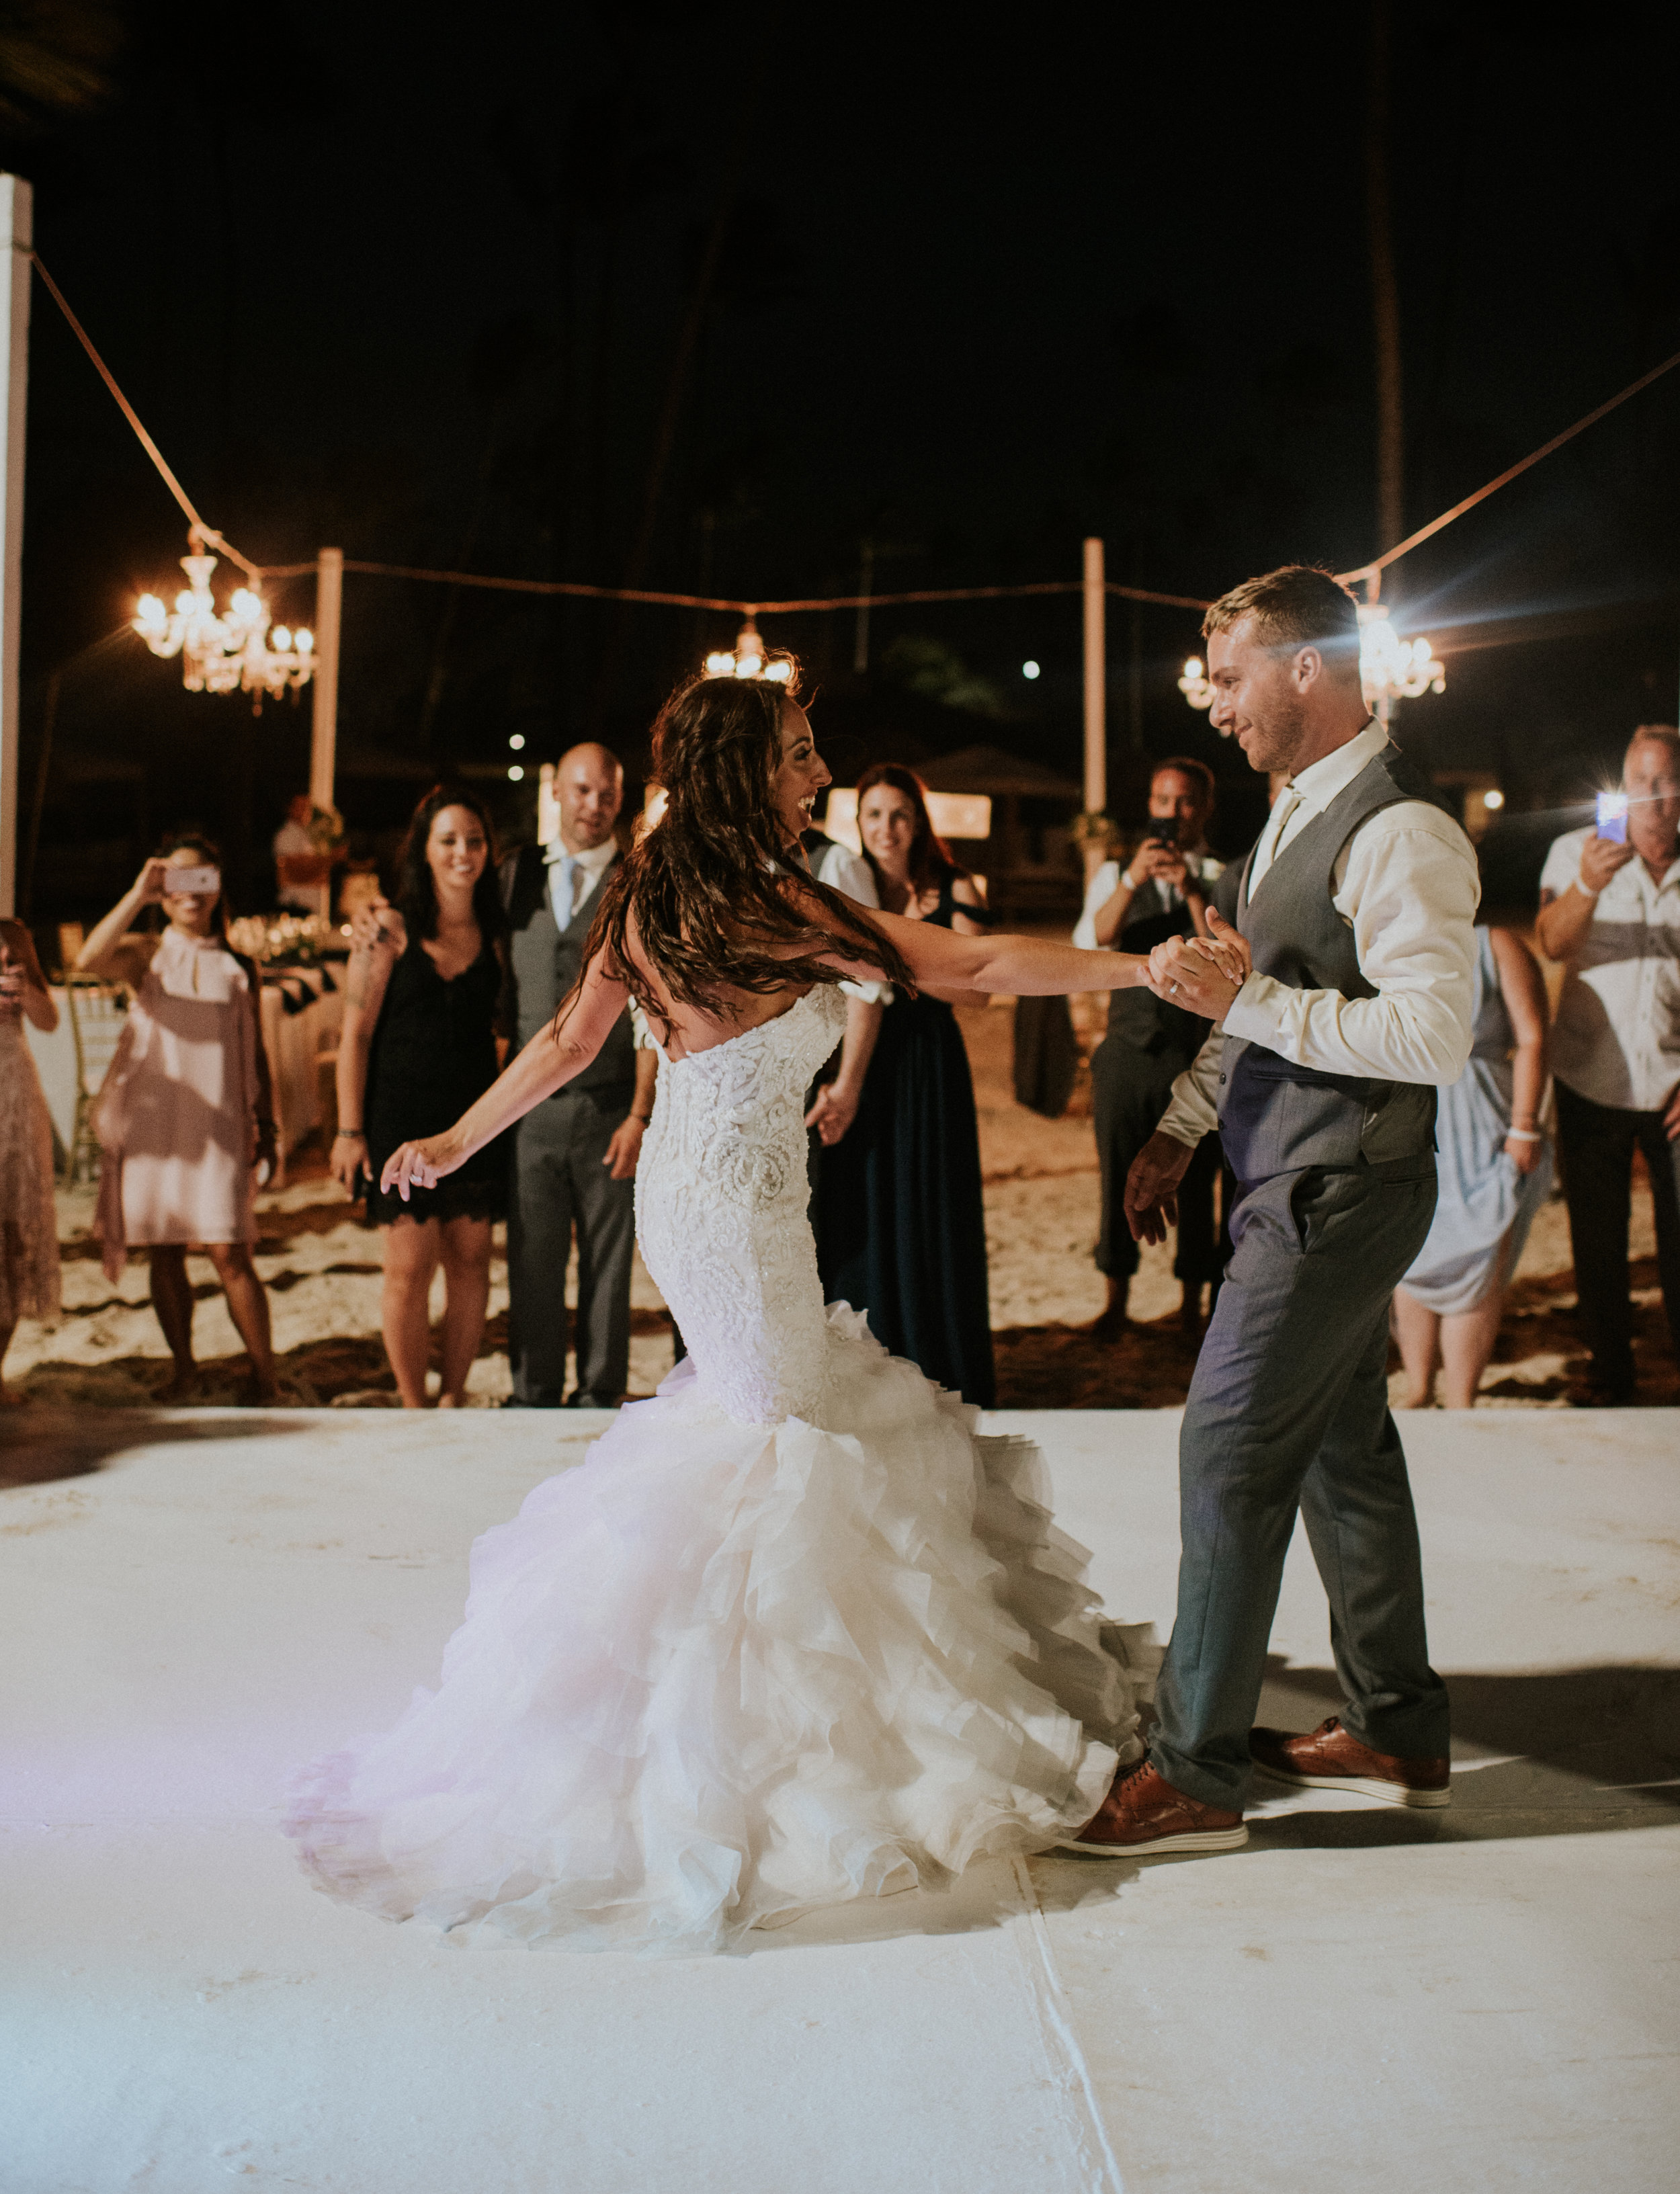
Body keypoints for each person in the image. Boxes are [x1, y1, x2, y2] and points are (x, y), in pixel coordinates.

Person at [287, 663, 1167, 1952]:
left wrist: (457, 1134)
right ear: (747, 771)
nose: (817, 773)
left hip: (701, 1199)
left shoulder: (657, 892)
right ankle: (744, 1745)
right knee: (781, 1454)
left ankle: (739, 1702)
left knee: (764, 1429)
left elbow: (566, 1046)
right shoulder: (775, 902)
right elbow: (968, 962)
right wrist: (1141, 967)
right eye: (800, 753)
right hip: (740, 1209)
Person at [1084, 564, 1478, 1857]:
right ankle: (1397, 1724)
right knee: (1340, 1450)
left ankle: (1195, 1772)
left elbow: (1429, 1034)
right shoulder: (1288, 821)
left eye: (1235, 677)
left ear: (1311, 667)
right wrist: (1179, 1139)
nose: (1218, 708)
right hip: (1290, 1174)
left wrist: (1242, 1007)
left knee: (1230, 1446)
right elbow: (1242, 1002)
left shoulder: (1400, 831)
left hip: (1341, 1190)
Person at [813, 762, 995, 1404]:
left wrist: (889, 967)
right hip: (860, 1061)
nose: (886, 829)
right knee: (861, 1203)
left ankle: (935, 1350)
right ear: (856, 822)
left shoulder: (954, 884)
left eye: (899, 815)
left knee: (927, 1201)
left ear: (919, 822)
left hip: (926, 1062)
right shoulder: (847, 885)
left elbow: (977, 991)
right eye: (874, 816)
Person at [78, 837, 280, 1404]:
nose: (191, 892)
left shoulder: (240, 964)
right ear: (164, 892)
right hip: (155, 1125)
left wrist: (269, 1124)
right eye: (179, 881)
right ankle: (185, 1370)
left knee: (230, 1252)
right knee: (164, 1249)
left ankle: (268, 1378)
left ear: (218, 887)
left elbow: (256, 1051)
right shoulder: (146, 952)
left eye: (202, 878)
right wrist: (137, 893)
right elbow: (87, 959)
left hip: (217, 1127)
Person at [331, 786, 509, 1409]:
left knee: (472, 1263)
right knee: (410, 1267)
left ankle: (455, 1394)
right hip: (400, 1116)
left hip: (474, 1119)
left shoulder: (498, 931)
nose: (464, 852)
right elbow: (353, 1035)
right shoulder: (388, 928)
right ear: (425, 851)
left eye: (475, 840)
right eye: (449, 840)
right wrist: (349, 1131)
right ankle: (412, 1404)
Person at [497, 743, 657, 1409]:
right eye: (582, 791)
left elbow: (655, 1007)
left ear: (621, 802)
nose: (593, 806)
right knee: (531, 1260)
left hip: (610, 1102)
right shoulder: (513, 875)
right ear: (557, 792)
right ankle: (531, 1393)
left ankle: (599, 1393)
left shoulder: (641, 881)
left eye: (607, 795)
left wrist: (640, 1114)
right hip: (528, 1109)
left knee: (608, 1263)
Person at [1536, 724, 1680, 1406]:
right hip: (1589, 1077)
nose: (1650, 797)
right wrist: (1588, 886)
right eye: (1638, 782)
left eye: (1662, 782)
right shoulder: (1575, 852)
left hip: (1673, 1088)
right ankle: (1609, 1374)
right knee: (1598, 1239)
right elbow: (1551, 942)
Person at [1073, 759, 1226, 1333]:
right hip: (1126, 1051)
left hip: (1193, 1051)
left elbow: (1222, 951)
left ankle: (1191, 1305)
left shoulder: (1221, 873)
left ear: (1204, 807)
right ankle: (1116, 1298)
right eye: (1162, 800)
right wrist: (1134, 879)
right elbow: (1094, 939)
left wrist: (1189, 888)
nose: (1171, 812)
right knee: (1116, 1173)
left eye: (1184, 801)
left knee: (1200, 1176)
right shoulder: (1117, 872)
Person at [1392, 921, 1552, 1408]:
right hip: (1413, 1115)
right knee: (1410, 1253)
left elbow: (1533, 1038)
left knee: (1478, 1253)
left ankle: (1462, 1396)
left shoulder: (1495, 943)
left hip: (1484, 1116)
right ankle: (1418, 1385)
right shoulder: (1393, 938)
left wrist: (1525, 1124)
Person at [0, 920, 62, 1390]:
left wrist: (22, 991)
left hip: (15, 1092)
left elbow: (49, 1019)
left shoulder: (15, 933)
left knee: (18, 1233)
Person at [273, 794, 337, 915]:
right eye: (300, 807)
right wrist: (327, 861)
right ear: (290, 809)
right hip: (295, 903)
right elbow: (293, 869)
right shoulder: (286, 835)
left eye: (308, 808)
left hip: (310, 904)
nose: (305, 811)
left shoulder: (307, 835)